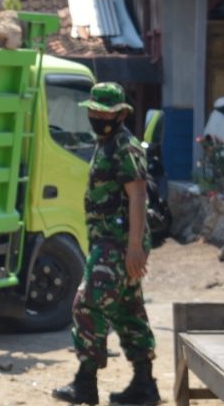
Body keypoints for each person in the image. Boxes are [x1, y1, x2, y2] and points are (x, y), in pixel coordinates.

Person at [53, 83, 159, 405]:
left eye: (104, 113)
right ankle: (144, 385)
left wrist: (134, 247)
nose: (97, 117)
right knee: (127, 309)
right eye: (93, 112)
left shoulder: (123, 146)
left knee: (87, 304)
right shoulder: (107, 142)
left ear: (121, 114)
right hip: (110, 240)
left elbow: (138, 194)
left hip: (117, 243)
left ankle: (85, 383)